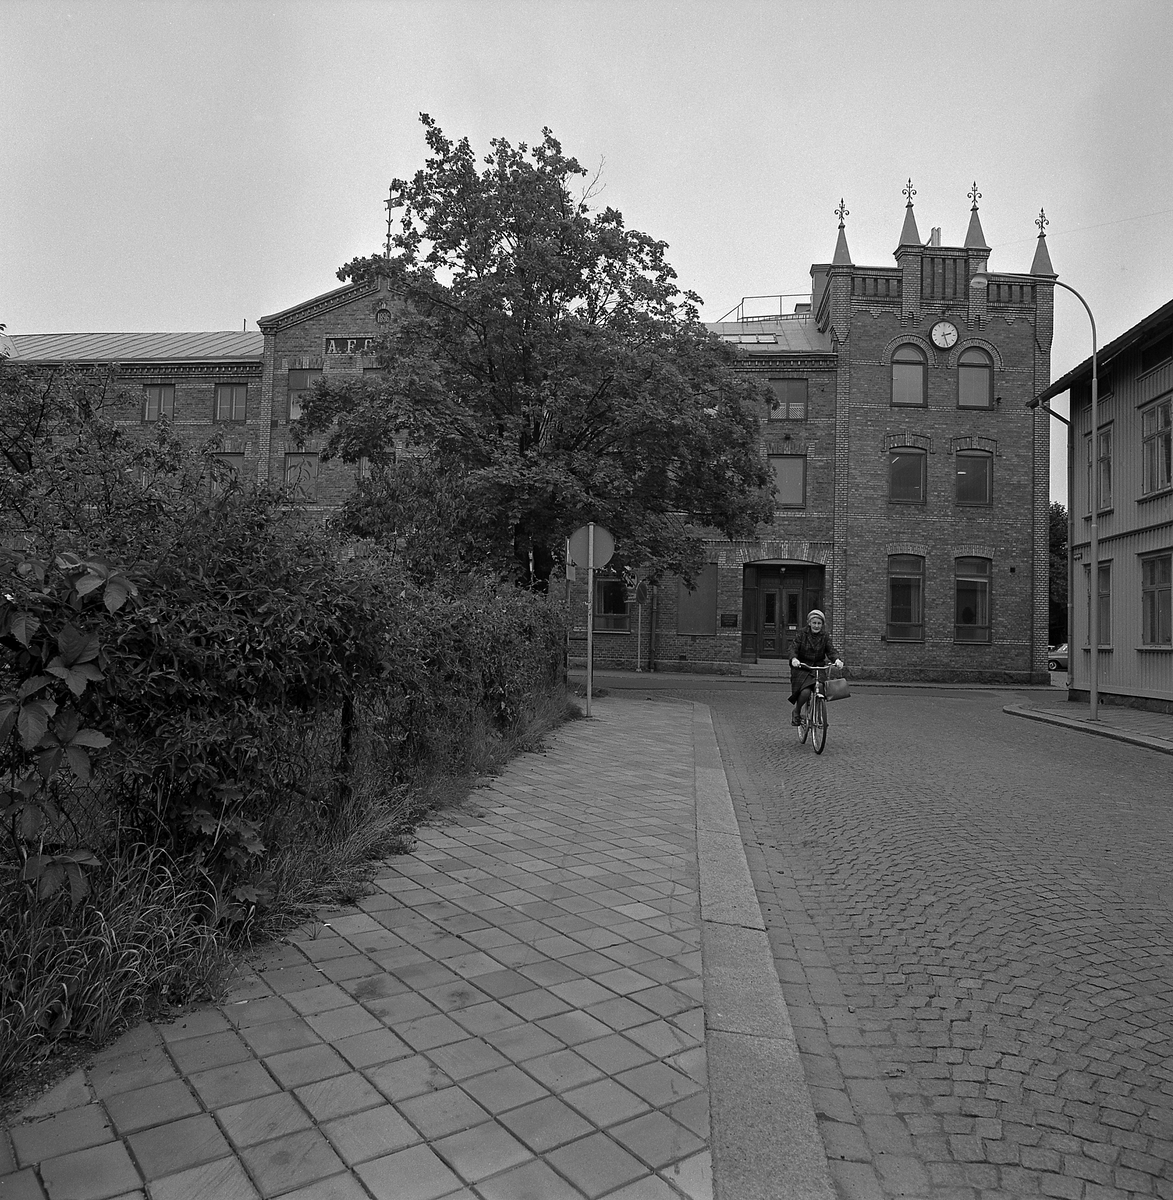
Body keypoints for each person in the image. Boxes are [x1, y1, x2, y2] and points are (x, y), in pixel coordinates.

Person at [788, 609, 843, 726]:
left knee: (821, 688)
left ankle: (819, 714)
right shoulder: (802, 634)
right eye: (814, 623)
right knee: (805, 692)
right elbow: (793, 648)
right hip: (802, 667)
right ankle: (797, 711)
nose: (816, 626)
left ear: (822, 624)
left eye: (819, 623)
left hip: (818, 667)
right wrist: (794, 659)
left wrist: (837, 660)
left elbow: (831, 650)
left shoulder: (825, 636)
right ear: (809, 623)